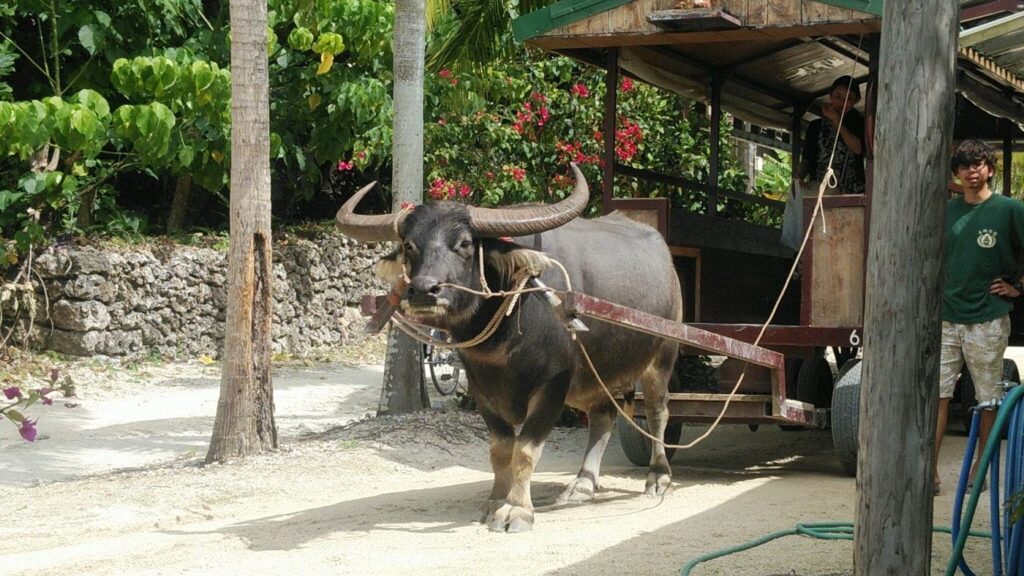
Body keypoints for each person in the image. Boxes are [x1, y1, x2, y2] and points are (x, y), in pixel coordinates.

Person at [933, 139, 1024, 496]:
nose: (972, 171)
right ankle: (929, 470)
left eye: (978, 164)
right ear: (956, 173)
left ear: (989, 169)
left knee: (987, 398)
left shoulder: (1009, 209)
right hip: (946, 317)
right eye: (964, 165)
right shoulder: (947, 212)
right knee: (937, 396)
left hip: (988, 317)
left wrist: (1017, 286)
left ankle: (979, 467)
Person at [797, 75, 867, 195]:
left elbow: (858, 148)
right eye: (838, 96)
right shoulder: (816, 126)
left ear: (856, 101)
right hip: (820, 187)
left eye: (849, 98)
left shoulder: (859, 123)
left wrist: (836, 121)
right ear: (830, 96)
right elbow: (807, 159)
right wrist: (798, 178)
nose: (842, 102)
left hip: (851, 190)